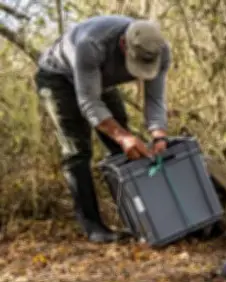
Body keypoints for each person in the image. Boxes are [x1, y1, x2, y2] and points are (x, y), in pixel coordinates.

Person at [35, 15, 172, 243]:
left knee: (124, 148)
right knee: (76, 150)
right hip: (58, 77)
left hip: (99, 80)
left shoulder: (159, 50)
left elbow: (155, 99)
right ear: (123, 45)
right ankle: (93, 227)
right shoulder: (92, 44)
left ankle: (141, 216)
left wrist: (159, 136)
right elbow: (89, 102)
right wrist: (123, 136)